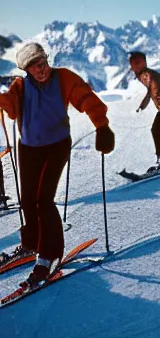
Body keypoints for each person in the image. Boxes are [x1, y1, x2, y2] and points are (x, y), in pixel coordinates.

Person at [0, 42, 114, 285]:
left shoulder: (63, 78)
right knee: (28, 199)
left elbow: (86, 99)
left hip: (56, 145)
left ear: (46, 59)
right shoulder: (20, 86)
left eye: (42, 63)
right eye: (34, 67)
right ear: (26, 70)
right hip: (28, 147)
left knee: (44, 199)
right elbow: (10, 107)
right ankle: (31, 244)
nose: (40, 70)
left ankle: (49, 255)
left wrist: (102, 126)